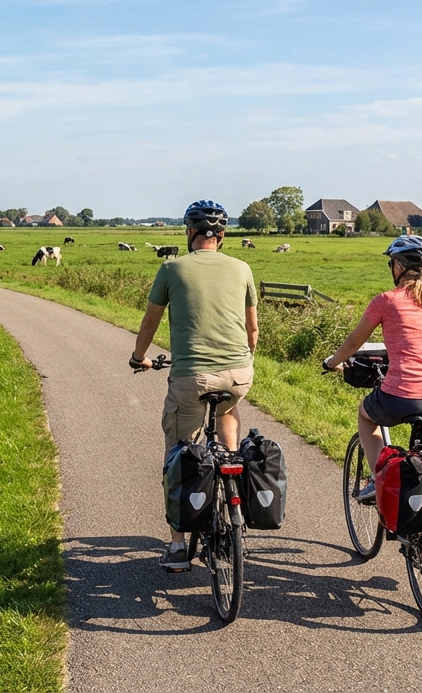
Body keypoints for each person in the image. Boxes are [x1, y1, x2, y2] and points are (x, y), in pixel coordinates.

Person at [130, 200, 259, 571]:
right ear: (222, 236)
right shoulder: (242, 267)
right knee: (228, 409)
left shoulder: (171, 268)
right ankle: (232, 473)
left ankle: (176, 546)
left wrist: (139, 357)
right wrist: (243, 362)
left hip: (191, 378)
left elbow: (149, 324)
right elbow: (252, 331)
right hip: (238, 374)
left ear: (189, 233)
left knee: (179, 453)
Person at [323, 234, 422, 504]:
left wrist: (331, 363)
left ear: (399, 267)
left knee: (366, 414)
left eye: (392, 264)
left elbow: (353, 342)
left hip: (402, 395)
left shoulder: (386, 300)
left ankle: (377, 478)